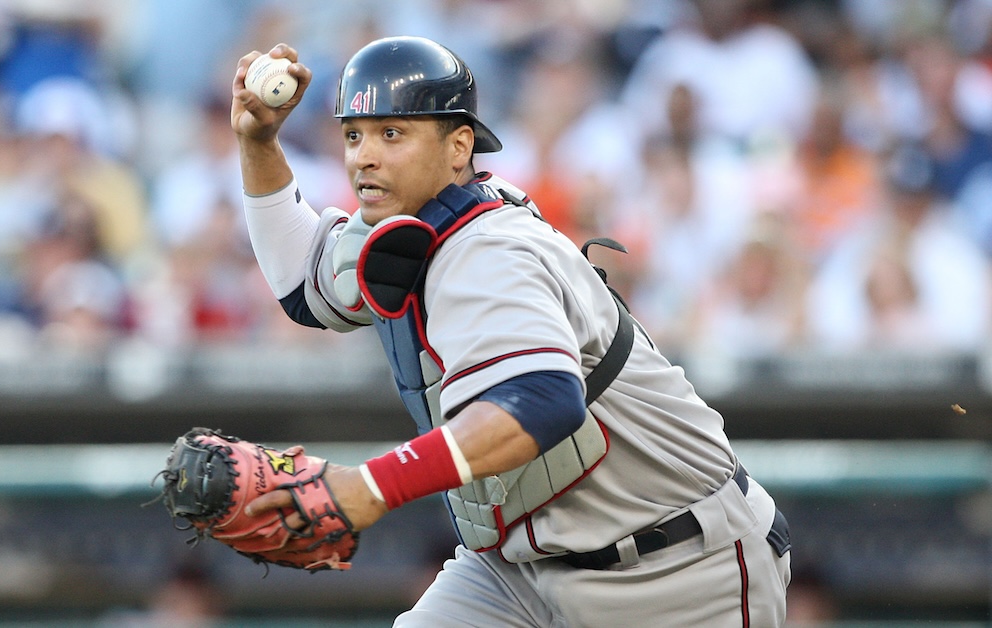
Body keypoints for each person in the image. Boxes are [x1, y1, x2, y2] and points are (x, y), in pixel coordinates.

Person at [231, 36, 791, 626]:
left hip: (671, 566)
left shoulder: (490, 248)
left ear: (459, 147)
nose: (363, 157)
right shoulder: (402, 235)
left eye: (391, 134)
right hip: (514, 572)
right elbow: (301, 284)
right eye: (354, 135)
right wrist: (259, 141)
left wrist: (367, 487)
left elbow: (541, 401)